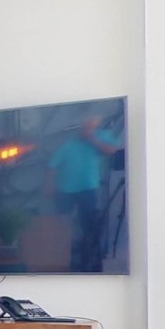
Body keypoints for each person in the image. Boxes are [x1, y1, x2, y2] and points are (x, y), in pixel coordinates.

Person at [50, 114, 122, 270]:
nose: (87, 128)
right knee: (61, 225)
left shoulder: (102, 136)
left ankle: (89, 262)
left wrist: (91, 139)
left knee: (89, 226)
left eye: (91, 125)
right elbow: (52, 165)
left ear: (96, 126)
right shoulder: (68, 143)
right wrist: (49, 187)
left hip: (88, 189)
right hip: (65, 190)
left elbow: (111, 150)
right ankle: (59, 261)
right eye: (85, 125)